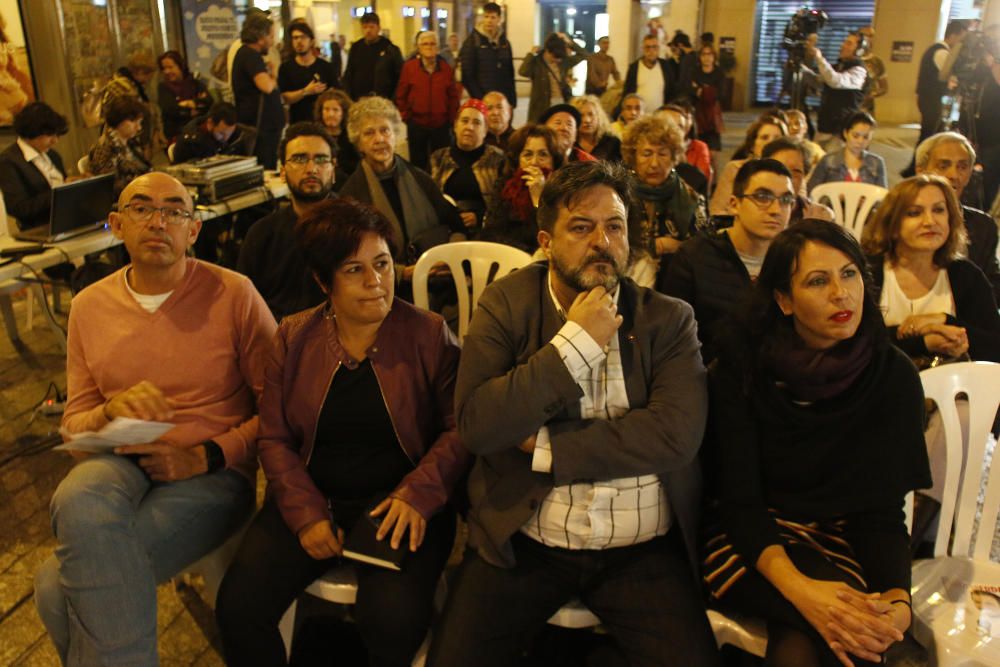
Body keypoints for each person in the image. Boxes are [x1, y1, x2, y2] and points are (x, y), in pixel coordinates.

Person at [427, 161, 722, 667]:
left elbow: (675, 437)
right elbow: (478, 424)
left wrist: (544, 445)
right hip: (528, 539)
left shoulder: (668, 319)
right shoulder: (507, 304)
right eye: (581, 228)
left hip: (642, 548)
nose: (601, 242)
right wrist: (575, 344)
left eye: (615, 227)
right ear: (545, 240)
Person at [33, 172, 277, 665]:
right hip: (123, 456)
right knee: (74, 493)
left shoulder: (234, 294)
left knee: (53, 589)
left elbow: (281, 409)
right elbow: (75, 428)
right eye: (142, 209)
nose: (158, 222)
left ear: (193, 230)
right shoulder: (89, 307)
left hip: (211, 472)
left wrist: (208, 454)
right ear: (117, 225)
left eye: (174, 210)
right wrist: (108, 413)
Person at [217, 197, 469, 666]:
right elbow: (274, 438)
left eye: (383, 264)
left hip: (400, 504)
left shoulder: (430, 334)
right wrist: (306, 513)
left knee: (390, 619)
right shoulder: (294, 336)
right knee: (239, 608)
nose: (376, 282)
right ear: (322, 280)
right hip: (314, 493)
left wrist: (418, 494)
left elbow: (458, 430)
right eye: (354, 270)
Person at [702, 219, 931, 667]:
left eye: (849, 274)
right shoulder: (741, 368)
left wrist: (897, 602)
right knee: (847, 638)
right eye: (818, 281)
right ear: (783, 300)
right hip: (747, 538)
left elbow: (880, 513)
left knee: (845, 640)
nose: (841, 294)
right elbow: (739, 503)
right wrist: (803, 591)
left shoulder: (892, 375)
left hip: (838, 536)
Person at [662, 159, 794, 364]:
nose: (776, 209)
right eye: (762, 197)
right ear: (734, 204)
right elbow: (671, 337)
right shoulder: (695, 257)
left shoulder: (794, 260)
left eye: (785, 200)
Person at [862, 175, 1000, 364]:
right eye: (914, 213)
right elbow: (855, 346)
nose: (930, 221)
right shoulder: (868, 273)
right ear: (892, 224)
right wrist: (924, 342)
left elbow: (994, 348)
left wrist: (944, 321)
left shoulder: (965, 275)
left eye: (938, 210)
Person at [339, 96, 464, 295]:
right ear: (358, 144)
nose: (379, 139)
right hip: (383, 290)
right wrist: (401, 273)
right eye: (369, 133)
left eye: (385, 130)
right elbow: (348, 256)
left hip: (437, 283)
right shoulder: (350, 194)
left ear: (395, 135)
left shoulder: (420, 179)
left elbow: (456, 225)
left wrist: (448, 257)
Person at [238, 122, 336, 321]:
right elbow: (245, 304)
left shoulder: (356, 227)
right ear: (282, 172)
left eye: (321, 159)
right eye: (299, 159)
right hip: (278, 340)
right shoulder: (262, 234)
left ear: (333, 170)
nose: (311, 169)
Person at [621, 114, 708, 287]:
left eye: (662, 154)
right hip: (626, 281)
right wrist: (655, 246)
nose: (654, 163)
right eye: (646, 154)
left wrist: (678, 247)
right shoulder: (619, 194)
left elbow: (704, 247)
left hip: (677, 282)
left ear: (674, 157)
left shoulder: (691, 198)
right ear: (633, 157)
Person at [915, 131, 1000, 301]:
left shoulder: (983, 226)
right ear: (921, 171)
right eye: (943, 165)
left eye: (962, 166)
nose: (953, 175)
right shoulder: (900, 221)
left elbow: (993, 284)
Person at [481, 124, 564, 253]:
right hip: (508, 253)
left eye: (543, 155)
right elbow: (492, 230)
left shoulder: (562, 189)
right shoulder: (505, 185)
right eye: (527, 155)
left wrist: (538, 199)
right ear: (517, 160)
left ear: (554, 160)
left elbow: (552, 235)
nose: (534, 162)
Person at [429, 99, 506, 236]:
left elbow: (505, 203)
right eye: (464, 121)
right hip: (445, 229)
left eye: (476, 123)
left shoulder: (498, 160)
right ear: (455, 126)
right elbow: (428, 198)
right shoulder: (438, 158)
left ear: (485, 131)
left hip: (487, 231)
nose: (469, 127)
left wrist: (480, 216)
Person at [395, 31, 461, 171]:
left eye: (433, 44)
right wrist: (407, 116)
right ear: (418, 48)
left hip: (441, 125)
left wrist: (451, 119)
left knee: (441, 163)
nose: (429, 47)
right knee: (418, 164)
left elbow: (453, 97)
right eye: (425, 44)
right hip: (417, 124)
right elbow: (401, 95)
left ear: (438, 48)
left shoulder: (446, 69)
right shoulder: (409, 68)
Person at [0, 102, 68, 230]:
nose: (55, 141)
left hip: (66, 219)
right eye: (49, 135)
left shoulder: (52, 155)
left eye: (56, 134)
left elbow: (62, 183)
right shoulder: (8, 162)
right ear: (31, 132)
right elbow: (19, 208)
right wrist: (59, 192)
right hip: (39, 227)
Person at [231, 11, 283, 169]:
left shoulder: (246, 55)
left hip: (262, 127)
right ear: (260, 37)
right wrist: (273, 75)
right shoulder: (250, 56)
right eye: (271, 37)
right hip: (260, 129)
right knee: (265, 168)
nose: (272, 42)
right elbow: (266, 87)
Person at [710, 115, 787, 217]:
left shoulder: (789, 172)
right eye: (764, 137)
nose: (770, 142)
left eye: (777, 138)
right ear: (752, 145)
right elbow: (717, 211)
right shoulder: (735, 169)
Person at [804, 32, 869, 145]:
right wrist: (801, 68)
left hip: (840, 129)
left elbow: (836, 81)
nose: (843, 45)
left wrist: (819, 58)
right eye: (844, 42)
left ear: (859, 50)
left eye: (849, 43)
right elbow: (819, 82)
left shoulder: (859, 71)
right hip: (825, 124)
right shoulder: (839, 66)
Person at [915, 21, 968, 156]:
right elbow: (949, 76)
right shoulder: (941, 52)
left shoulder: (935, 49)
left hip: (927, 98)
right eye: (961, 39)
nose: (961, 44)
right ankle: (917, 165)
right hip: (931, 99)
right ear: (952, 36)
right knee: (929, 134)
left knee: (929, 133)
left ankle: (915, 166)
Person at [761, 137, 835, 225]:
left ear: (805, 176)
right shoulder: (751, 211)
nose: (787, 178)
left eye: (796, 172)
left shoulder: (820, 217)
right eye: (779, 169)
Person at [89, 96, 153, 196]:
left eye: (139, 122)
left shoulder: (131, 142)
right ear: (118, 119)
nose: (139, 127)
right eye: (133, 121)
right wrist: (143, 183)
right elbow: (109, 186)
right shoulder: (104, 147)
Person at [278, 19, 339, 125]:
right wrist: (306, 91)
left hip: (322, 123)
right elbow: (285, 98)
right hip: (298, 122)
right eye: (295, 38)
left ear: (311, 41)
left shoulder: (325, 67)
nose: (299, 41)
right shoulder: (286, 68)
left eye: (303, 37)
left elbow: (336, 93)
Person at [807, 111, 887, 191]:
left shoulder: (877, 163)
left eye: (865, 137)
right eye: (855, 136)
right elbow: (812, 192)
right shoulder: (827, 161)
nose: (860, 141)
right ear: (845, 133)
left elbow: (882, 197)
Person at [102, 51, 159, 158]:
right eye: (149, 75)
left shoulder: (134, 86)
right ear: (141, 72)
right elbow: (130, 114)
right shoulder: (123, 87)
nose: (149, 80)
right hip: (126, 141)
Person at [459, 3, 516, 109]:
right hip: (483, 101)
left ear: (499, 19)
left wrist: (512, 100)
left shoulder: (505, 43)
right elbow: (467, 76)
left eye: (493, 17)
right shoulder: (472, 42)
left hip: (502, 102)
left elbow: (510, 74)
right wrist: (481, 99)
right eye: (486, 16)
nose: (489, 20)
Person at [520, 32, 585, 123]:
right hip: (542, 105)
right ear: (547, 50)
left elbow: (583, 54)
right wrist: (530, 54)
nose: (557, 60)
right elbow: (523, 72)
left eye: (559, 57)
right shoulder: (537, 62)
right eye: (554, 56)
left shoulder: (563, 61)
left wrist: (569, 41)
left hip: (561, 101)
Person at [171, 101, 256, 164]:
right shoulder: (190, 142)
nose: (226, 139)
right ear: (210, 123)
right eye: (221, 134)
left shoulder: (239, 135)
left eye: (229, 134)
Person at [343, 13, 403, 101]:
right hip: (359, 98)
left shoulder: (389, 49)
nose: (368, 30)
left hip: (383, 99)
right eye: (365, 27)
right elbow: (349, 73)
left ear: (378, 28)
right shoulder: (356, 48)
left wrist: (393, 98)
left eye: (371, 27)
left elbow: (399, 77)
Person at [655, 103, 712, 194]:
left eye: (679, 127)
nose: (674, 132)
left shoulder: (695, 179)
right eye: (666, 125)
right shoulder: (632, 172)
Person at [156, 51, 211, 144]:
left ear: (180, 66)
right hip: (176, 135)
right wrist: (192, 111)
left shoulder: (195, 83)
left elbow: (208, 102)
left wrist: (188, 103)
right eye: (164, 68)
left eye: (170, 67)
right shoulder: (163, 87)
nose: (166, 71)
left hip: (200, 132)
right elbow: (171, 109)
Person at [623, 34, 678, 113]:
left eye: (654, 47)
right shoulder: (634, 68)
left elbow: (672, 92)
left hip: (660, 115)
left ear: (658, 49)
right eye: (648, 47)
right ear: (642, 49)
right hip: (639, 116)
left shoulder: (666, 66)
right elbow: (627, 93)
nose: (651, 51)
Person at [314, 88, 359, 183]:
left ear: (343, 113)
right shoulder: (315, 135)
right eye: (326, 109)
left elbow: (357, 165)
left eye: (335, 110)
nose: (330, 114)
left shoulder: (352, 136)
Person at [689, 45, 726, 151]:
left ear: (714, 57)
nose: (706, 57)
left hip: (713, 114)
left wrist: (703, 90)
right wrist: (706, 90)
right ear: (699, 57)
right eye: (703, 54)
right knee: (697, 146)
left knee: (713, 150)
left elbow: (721, 93)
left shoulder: (719, 72)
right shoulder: (694, 71)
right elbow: (690, 90)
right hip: (698, 112)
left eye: (709, 54)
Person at [570, 95, 621, 162]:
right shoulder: (569, 144)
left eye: (591, 114)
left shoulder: (612, 143)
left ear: (599, 117)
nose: (587, 120)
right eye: (581, 115)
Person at [858, 26, 888, 114]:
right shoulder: (849, 58)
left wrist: (871, 94)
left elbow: (884, 87)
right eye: (864, 35)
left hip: (866, 110)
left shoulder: (876, 62)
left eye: (871, 36)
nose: (868, 39)